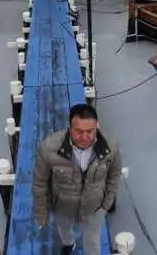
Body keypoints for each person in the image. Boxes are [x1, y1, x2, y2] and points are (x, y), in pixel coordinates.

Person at [32, 104, 122, 255]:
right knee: (64, 231)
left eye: (90, 131)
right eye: (79, 131)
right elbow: (40, 183)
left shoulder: (111, 147)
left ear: (96, 127)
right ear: (69, 128)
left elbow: (114, 175)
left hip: (94, 209)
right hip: (62, 207)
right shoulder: (48, 148)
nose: (85, 137)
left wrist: (105, 205)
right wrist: (42, 213)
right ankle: (69, 244)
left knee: (93, 243)